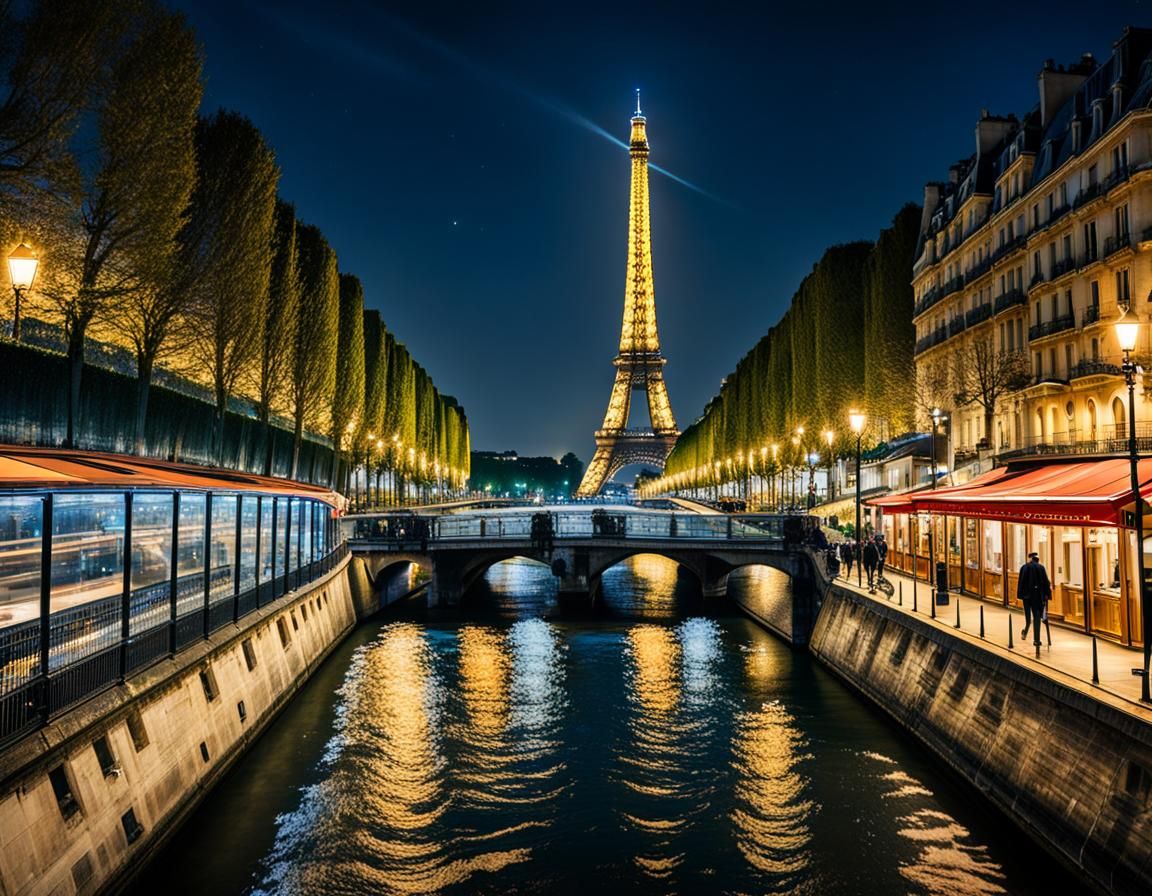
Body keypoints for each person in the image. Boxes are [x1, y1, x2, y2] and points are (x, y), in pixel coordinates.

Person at [1017, 551, 1051, 652]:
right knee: (1037, 617)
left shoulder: (1025, 567)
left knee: (1028, 617)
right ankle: (1036, 640)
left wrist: (1020, 595)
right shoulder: (1041, 568)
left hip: (1027, 597)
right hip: (1038, 597)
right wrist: (1047, 595)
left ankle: (1025, 632)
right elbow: (1046, 582)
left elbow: (1021, 582)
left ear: (1030, 558)